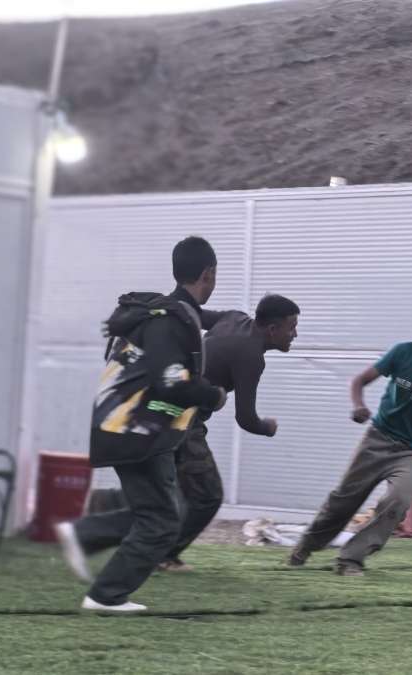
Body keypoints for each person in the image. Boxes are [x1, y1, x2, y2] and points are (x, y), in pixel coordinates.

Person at [55, 236, 227, 612]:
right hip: (137, 429)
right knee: (162, 521)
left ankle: (83, 536)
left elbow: (198, 323)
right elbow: (171, 383)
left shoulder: (159, 312)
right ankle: (106, 595)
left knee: (160, 508)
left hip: (128, 426)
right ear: (208, 273)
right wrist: (212, 395)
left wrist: (231, 319)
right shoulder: (170, 321)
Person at [286, 297, 412, 576]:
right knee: (343, 499)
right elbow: (358, 381)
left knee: (398, 501)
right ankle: (307, 545)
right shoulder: (402, 352)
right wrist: (358, 406)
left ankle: (350, 559)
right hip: (379, 438)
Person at [159, 292, 300, 571]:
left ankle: (150, 549)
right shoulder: (252, 356)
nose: (295, 334)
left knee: (174, 491)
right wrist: (267, 427)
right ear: (273, 330)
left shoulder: (234, 317)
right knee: (208, 495)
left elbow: (191, 314)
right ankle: (163, 556)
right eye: (291, 328)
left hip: (160, 407)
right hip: (181, 420)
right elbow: (245, 418)